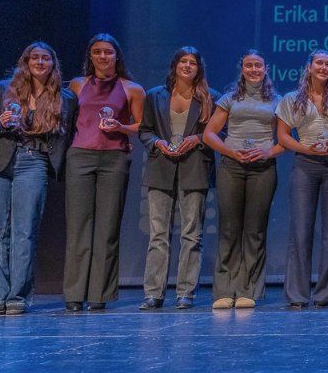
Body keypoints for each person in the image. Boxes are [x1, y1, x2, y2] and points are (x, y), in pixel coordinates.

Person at [0, 42, 76, 315]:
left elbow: (66, 136)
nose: (40, 62)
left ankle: (17, 296)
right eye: (35, 58)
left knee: (25, 231)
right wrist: (1, 123)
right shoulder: (2, 88)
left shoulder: (64, 97)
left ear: (53, 64)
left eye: (46, 58)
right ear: (26, 61)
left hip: (33, 161)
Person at [63, 33, 145, 312]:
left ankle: (99, 294)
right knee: (78, 227)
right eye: (97, 51)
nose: (103, 56)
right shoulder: (77, 84)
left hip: (114, 158)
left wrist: (121, 128)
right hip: (80, 156)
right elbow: (68, 119)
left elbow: (142, 125)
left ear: (116, 56)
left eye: (108, 52)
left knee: (107, 228)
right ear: (90, 55)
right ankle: (75, 294)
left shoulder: (132, 88)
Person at [136, 46, 219, 310]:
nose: (187, 66)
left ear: (199, 68)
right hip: (161, 169)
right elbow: (145, 130)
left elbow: (219, 133)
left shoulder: (210, 98)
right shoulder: (155, 95)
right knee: (158, 234)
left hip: (195, 169)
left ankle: (185, 292)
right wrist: (158, 143)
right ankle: (153, 293)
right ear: (175, 65)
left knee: (191, 234)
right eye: (183, 61)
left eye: (193, 62)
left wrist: (198, 139)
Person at [203, 50, 284, 309]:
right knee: (229, 228)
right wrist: (231, 152)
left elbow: (286, 139)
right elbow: (209, 134)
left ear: (266, 69)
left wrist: (267, 152)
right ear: (242, 69)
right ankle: (224, 291)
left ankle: (248, 289)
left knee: (255, 229)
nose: (253, 69)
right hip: (231, 167)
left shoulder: (277, 101)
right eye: (249, 65)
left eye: (258, 65)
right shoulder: (229, 98)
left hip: (263, 168)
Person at [277, 49, 328, 308]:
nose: (323, 67)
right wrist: (305, 148)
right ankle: (298, 295)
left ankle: (326, 295)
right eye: (319, 63)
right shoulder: (291, 99)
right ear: (309, 67)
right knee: (301, 229)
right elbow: (283, 136)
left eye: (327, 64)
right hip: (305, 164)